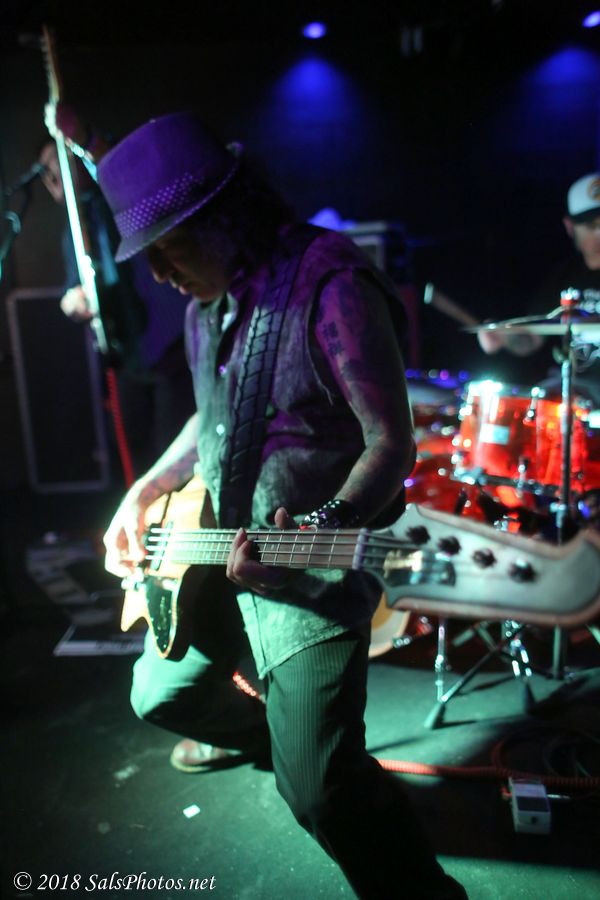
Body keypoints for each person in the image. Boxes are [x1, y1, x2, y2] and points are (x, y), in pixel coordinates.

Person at [98, 111, 467, 900]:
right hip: (222, 554)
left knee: (320, 793)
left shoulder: (331, 284)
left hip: (309, 570)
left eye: (170, 246)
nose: (159, 273)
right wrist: (147, 488)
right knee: (157, 695)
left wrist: (318, 528)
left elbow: (390, 444)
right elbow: (211, 416)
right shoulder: (205, 303)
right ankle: (282, 735)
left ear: (224, 215)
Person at [41, 104, 195, 474]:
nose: (53, 178)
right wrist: (73, 301)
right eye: (46, 172)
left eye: (59, 164)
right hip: (129, 358)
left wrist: (81, 136)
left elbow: (116, 167)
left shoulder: (121, 201)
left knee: (173, 454)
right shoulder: (74, 230)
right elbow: (72, 289)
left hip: (171, 350)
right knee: (134, 454)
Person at [478, 172, 600, 405]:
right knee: (534, 404)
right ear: (570, 227)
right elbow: (531, 339)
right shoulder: (564, 275)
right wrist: (502, 337)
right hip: (573, 389)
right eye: (590, 225)